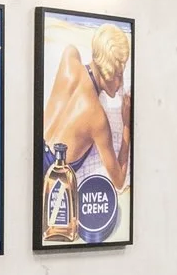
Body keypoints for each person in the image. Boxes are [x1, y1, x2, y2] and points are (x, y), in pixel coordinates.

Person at [41, 22, 131, 192]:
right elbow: (119, 181)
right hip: (49, 183)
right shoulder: (97, 117)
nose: (121, 84)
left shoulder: (69, 58)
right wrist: (127, 124)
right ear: (109, 71)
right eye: (119, 74)